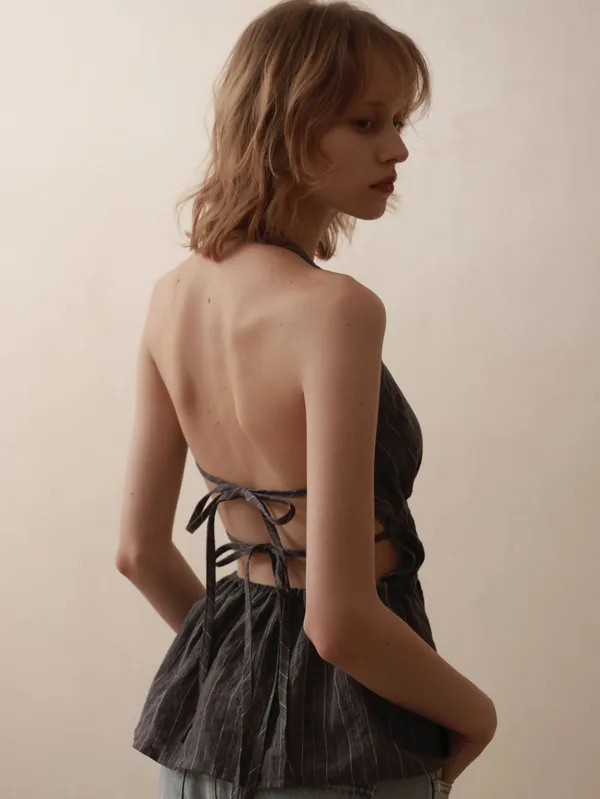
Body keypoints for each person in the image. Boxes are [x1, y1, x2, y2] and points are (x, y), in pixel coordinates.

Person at [116, 1, 497, 798]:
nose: (397, 147)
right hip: (345, 747)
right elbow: (339, 619)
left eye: (398, 122)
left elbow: (141, 553)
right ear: (285, 126)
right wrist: (478, 715)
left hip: (200, 747)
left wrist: (240, 671)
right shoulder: (336, 310)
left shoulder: (169, 297)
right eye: (365, 122)